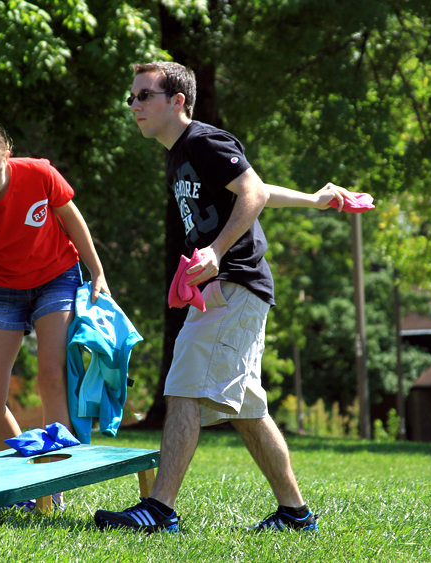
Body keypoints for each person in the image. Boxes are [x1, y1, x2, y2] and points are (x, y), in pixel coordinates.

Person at [94, 62, 356, 533]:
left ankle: (159, 510)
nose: (134, 106)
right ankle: (296, 515)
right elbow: (253, 189)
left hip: (233, 283)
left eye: (144, 96)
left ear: (178, 101)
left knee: (182, 391)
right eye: (131, 97)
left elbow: (250, 190)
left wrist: (215, 252)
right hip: (232, 288)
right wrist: (314, 201)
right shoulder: (179, 154)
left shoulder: (200, 140)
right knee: (250, 411)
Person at [0, 123, 109, 509]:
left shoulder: (38, 173)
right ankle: (26, 486)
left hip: (57, 277)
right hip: (2, 291)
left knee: (51, 373)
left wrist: (97, 271)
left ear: (7, 155)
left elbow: (71, 218)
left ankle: (55, 484)